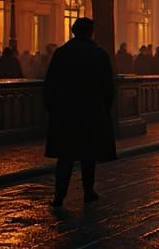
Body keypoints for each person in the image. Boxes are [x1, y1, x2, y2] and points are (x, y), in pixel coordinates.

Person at [44, 18, 116, 207]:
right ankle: (88, 191)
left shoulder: (61, 53)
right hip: (91, 111)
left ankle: (59, 195)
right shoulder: (99, 54)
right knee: (88, 155)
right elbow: (108, 86)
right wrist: (104, 108)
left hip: (65, 111)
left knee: (65, 156)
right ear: (91, 32)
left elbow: (50, 83)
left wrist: (52, 108)